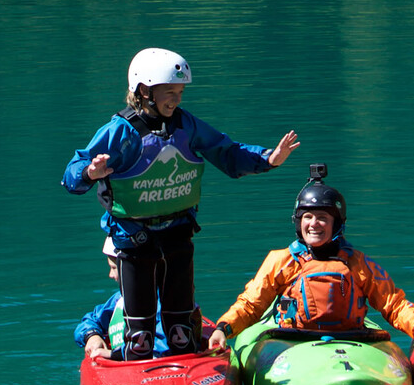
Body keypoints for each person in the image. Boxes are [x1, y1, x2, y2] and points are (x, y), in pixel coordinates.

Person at [63, 47, 300, 361]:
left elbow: (225, 151)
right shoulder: (119, 132)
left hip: (177, 232)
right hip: (134, 238)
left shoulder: (186, 126)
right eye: (169, 92)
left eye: (180, 92)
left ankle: (186, 363)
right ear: (144, 91)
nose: (176, 99)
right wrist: (90, 172)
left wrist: (268, 159)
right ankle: (136, 365)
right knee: (142, 336)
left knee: (179, 330)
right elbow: (72, 172)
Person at [207, 166, 414, 350]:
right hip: (292, 339)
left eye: (323, 217)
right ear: (299, 223)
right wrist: (223, 329)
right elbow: (251, 304)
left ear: (336, 225)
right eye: (308, 217)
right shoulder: (282, 260)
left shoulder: (357, 263)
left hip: (350, 339)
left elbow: (393, 304)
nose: (314, 224)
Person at [74, 238, 168, 360]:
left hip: (154, 369)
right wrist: (92, 336)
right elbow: (91, 320)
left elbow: (166, 344)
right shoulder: (119, 299)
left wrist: (114, 355)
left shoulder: (166, 301)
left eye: (114, 268)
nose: (110, 275)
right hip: (125, 366)